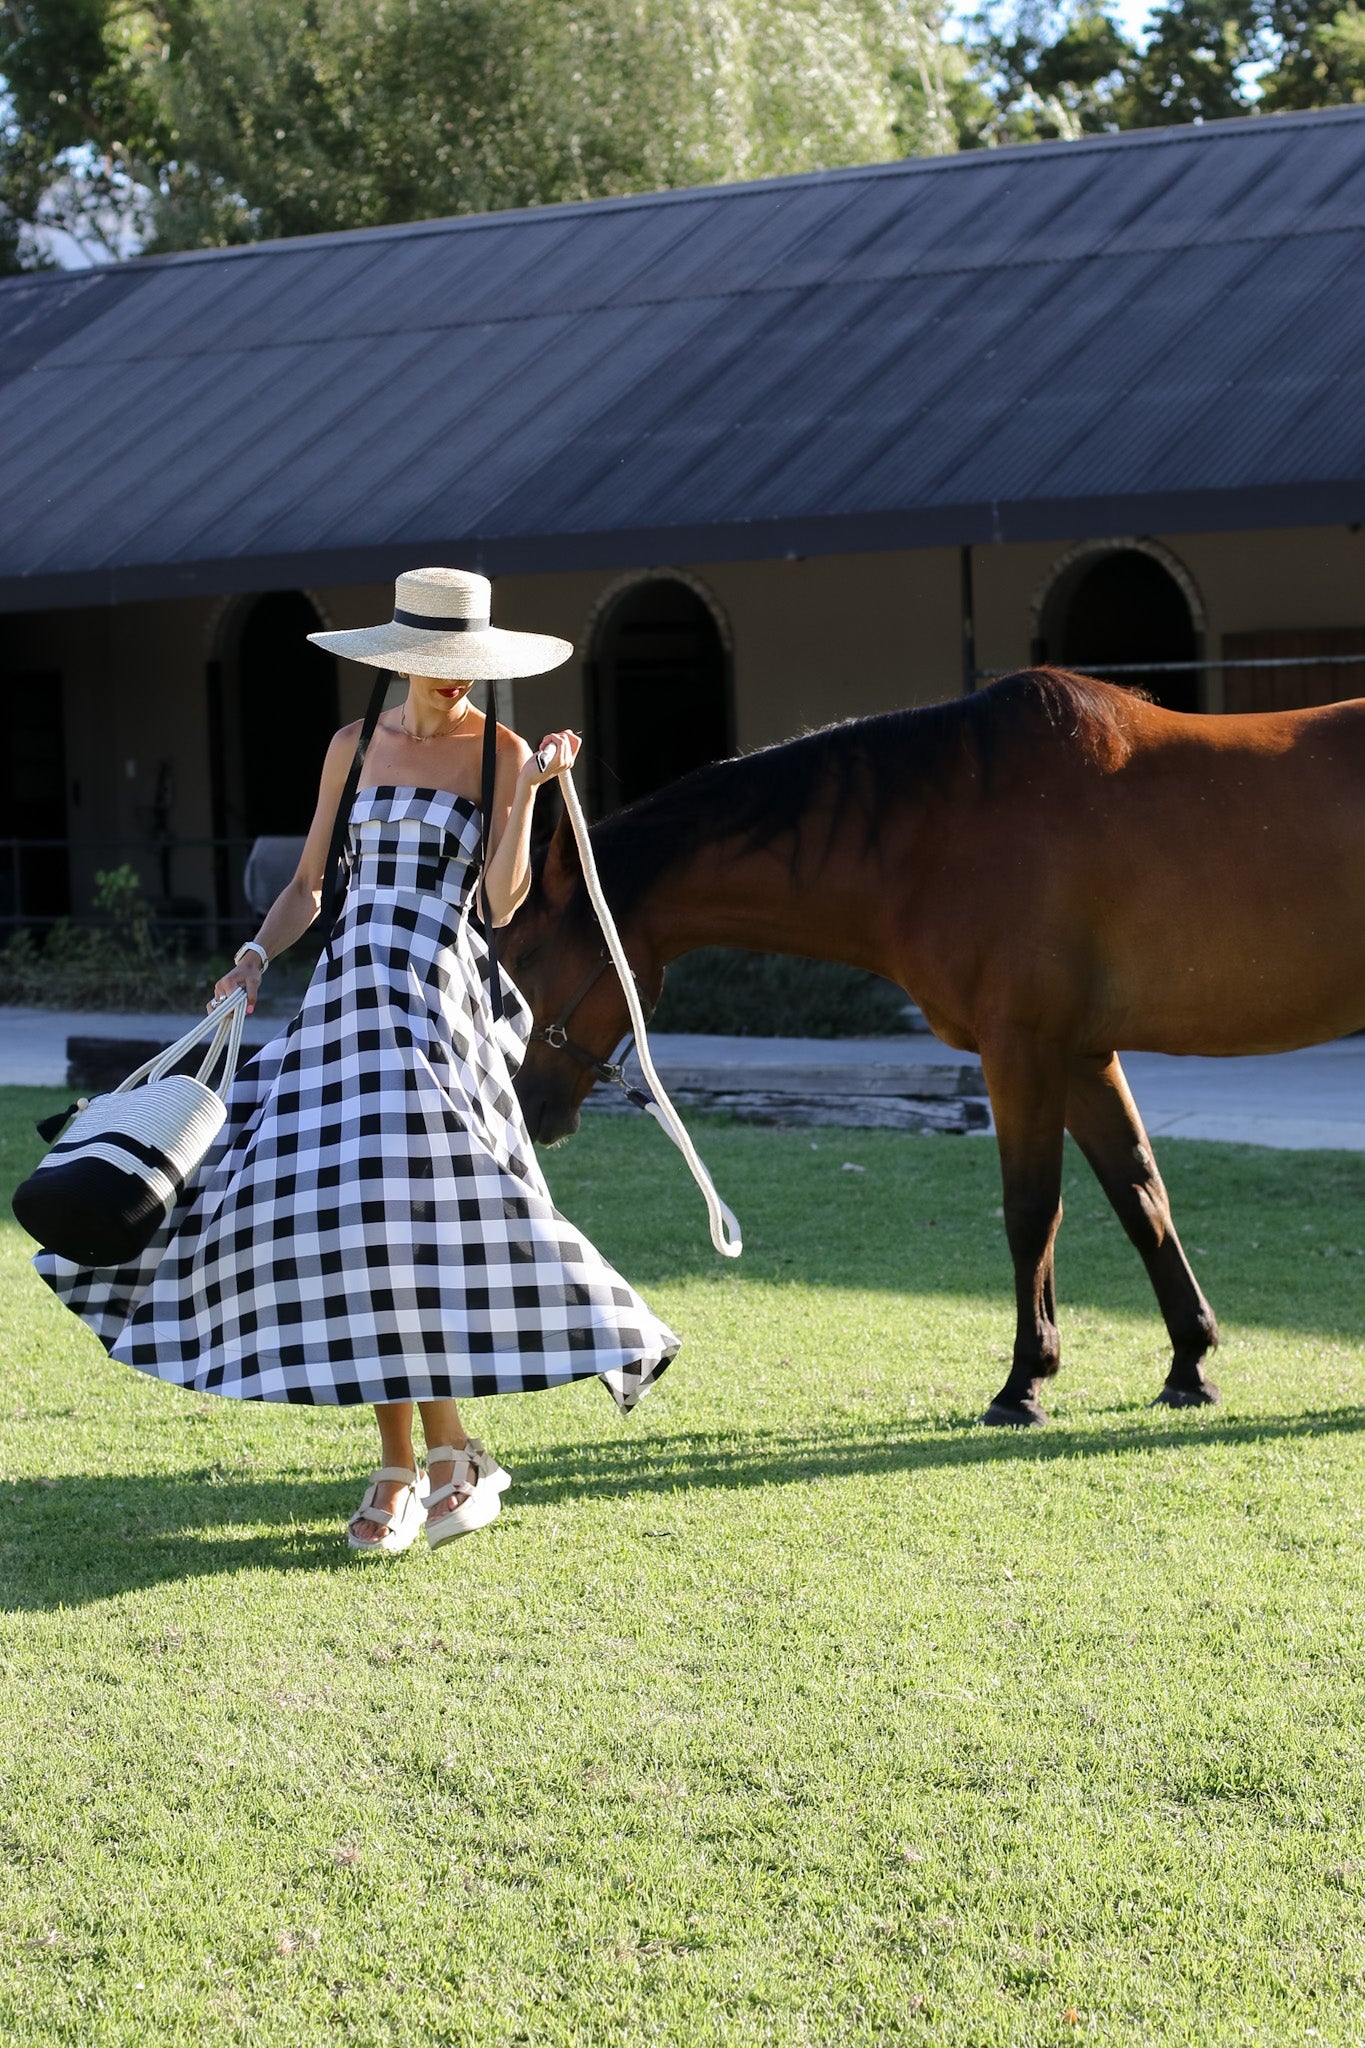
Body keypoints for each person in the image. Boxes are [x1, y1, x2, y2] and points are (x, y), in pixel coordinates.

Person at [34, 568, 679, 1554]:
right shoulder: (352, 744)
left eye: (467, 661)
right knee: (351, 1223)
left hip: (436, 1003)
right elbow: (308, 886)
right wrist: (254, 958)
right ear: (403, 658)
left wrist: (528, 795)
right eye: (438, 659)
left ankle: (437, 1459)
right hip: (345, 1000)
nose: (454, 677)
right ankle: (421, 1460)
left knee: (414, 1217)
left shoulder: (503, 752)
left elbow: (501, 903)